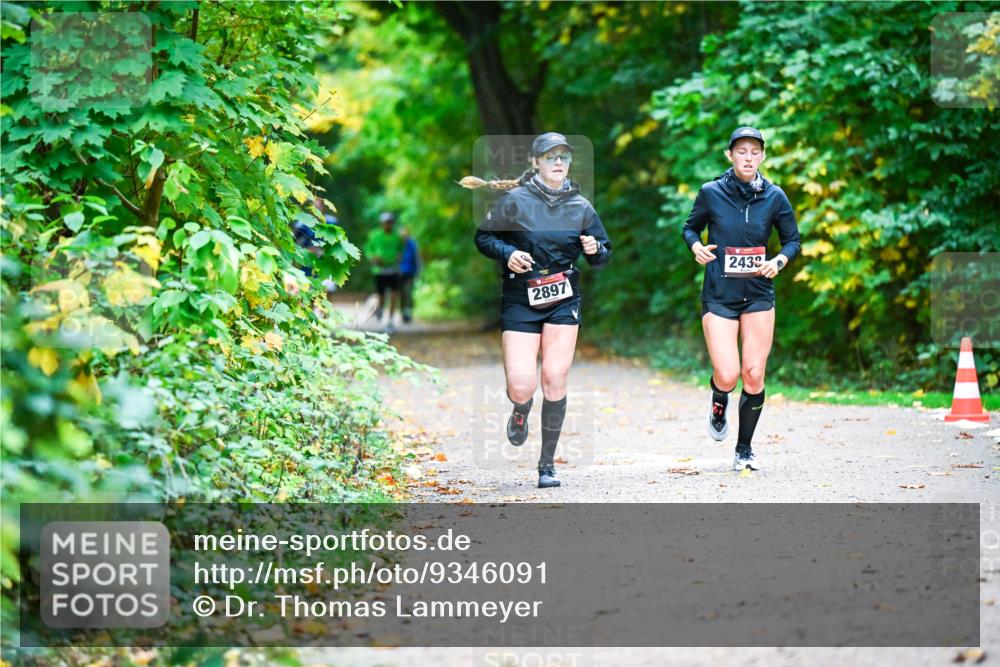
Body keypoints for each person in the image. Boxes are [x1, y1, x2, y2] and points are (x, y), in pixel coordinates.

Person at [466, 132, 612, 488]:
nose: (559, 162)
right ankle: (520, 409)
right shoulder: (514, 201)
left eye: (564, 157)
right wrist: (508, 253)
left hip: (563, 297)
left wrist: (595, 249)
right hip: (521, 297)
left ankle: (547, 465)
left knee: (554, 378)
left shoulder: (581, 206)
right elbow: (484, 237)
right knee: (521, 386)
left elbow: (603, 255)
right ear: (535, 162)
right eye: (550, 157)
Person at [682, 126, 801, 472]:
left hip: (758, 292)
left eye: (754, 152)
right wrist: (696, 246)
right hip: (720, 293)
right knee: (728, 373)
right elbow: (690, 228)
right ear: (730, 155)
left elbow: (792, 241)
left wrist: (779, 261)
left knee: (753, 372)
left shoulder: (775, 196)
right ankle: (719, 399)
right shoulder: (711, 192)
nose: (748, 158)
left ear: (762, 156)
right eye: (741, 152)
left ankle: (744, 449)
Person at [364, 211, 404, 328]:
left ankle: (391, 319)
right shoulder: (374, 235)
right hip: (379, 270)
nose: (388, 224)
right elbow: (368, 249)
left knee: (394, 295)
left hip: (393, 269)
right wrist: (372, 258)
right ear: (381, 223)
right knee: (381, 295)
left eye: (390, 222)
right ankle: (380, 310)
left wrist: (399, 256)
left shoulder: (397, 236)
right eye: (386, 222)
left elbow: (401, 249)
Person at [398, 227, 421, 324]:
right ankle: (403, 312)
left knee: (408, 292)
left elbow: (417, 258)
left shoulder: (412, 244)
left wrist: (418, 271)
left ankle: (408, 312)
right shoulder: (398, 245)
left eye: (405, 235)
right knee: (401, 294)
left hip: (410, 273)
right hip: (399, 273)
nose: (403, 237)